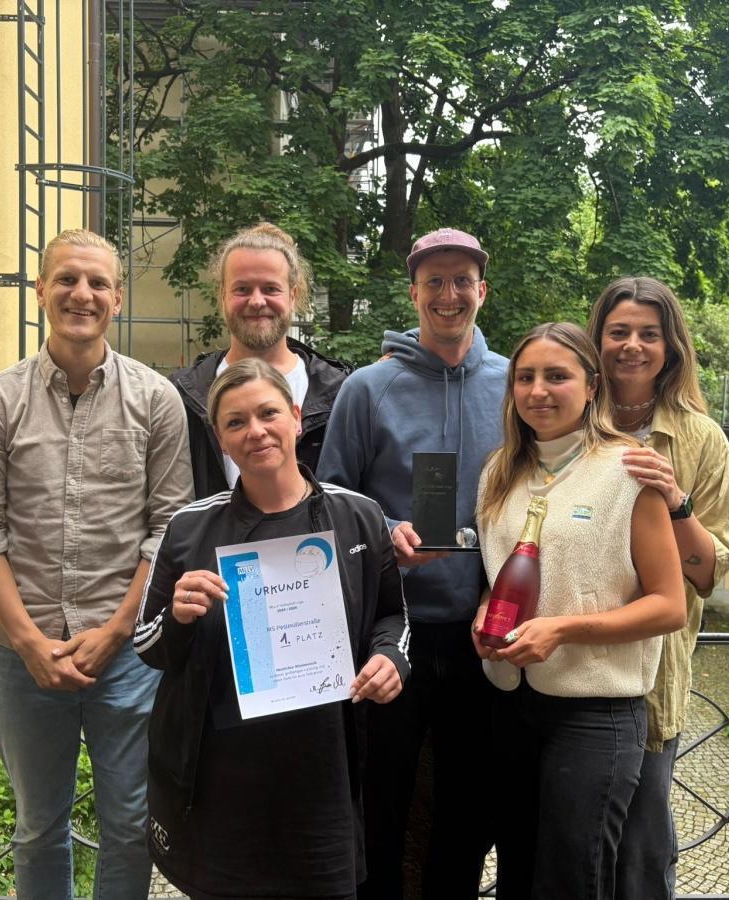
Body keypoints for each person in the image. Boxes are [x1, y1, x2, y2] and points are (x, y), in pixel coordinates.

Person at [0, 229, 192, 900]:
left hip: (123, 654)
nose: (81, 294)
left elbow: (168, 530)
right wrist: (32, 641)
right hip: (21, 652)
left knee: (128, 824)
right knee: (38, 826)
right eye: (66, 279)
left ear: (117, 298)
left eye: (97, 282)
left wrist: (120, 629)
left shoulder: (155, 400)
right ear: (40, 291)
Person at [133, 358, 410, 900]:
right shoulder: (192, 527)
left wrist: (391, 658)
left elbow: (392, 614)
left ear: (296, 418)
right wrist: (179, 616)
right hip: (222, 782)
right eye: (236, 422)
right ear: (220, 439)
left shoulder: (358, 516)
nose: (255, 431)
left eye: (267, 414)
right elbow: (148, 645)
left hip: (323, 775)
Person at [318, 227, 507, 899]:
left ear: (482, 291)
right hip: (389, 631)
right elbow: (333, 496)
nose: (449, 295)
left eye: (462, 281)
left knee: (467, 805)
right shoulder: (368, 389)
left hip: (486, 631)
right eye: (435, 282)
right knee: (383, 800)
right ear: (414, 294)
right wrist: (389, 526)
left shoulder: (516, 384)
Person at [470, 322, 686, 899]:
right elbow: (497, 579)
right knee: (516, 872)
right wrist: (483, 617)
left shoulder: (629, 469)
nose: (539, 390)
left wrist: (563, 630)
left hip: (595, 714)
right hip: (511, 703)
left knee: (572, 879)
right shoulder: (499, 473)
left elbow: (670, 607)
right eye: (525, 377)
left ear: (592, 386)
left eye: (557, 376)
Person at [587, 277, 729, 899]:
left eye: (648, 334)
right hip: (570, 655)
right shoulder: (570, 415)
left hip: (651, 673)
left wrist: (675, 499)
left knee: (644, 848)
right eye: (618, 332)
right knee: (573, 839)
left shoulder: (702, 439)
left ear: (670, 346)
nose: (632, 346)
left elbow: (707, 572)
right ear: (596, 339)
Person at [171, 222, 351, 499]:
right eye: (242, 289)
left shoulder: (342, 394)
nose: (257, 301)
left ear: (292, 295)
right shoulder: (180, 397)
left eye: (270, 288)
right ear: (222, 296)